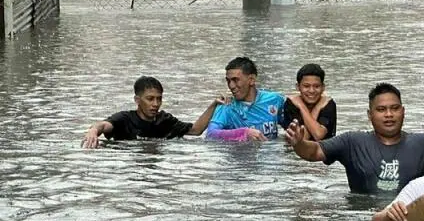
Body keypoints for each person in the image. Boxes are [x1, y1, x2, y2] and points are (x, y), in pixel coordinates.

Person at [285, 83, 424, 194]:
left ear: (403, 111)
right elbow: (314, 152)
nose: (389, 115)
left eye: (394, 108)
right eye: (381, 109)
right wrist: (299, 144)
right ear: (370, 115)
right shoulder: (352, 142)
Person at [81, 76, 223, 148]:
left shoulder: (165, 120)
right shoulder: (125, 119)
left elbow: (196, 130)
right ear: (137, 100)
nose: (155, 104)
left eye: (159, 99)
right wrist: (93, 131)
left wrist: (214, 104)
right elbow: (104, 125)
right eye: (150, 99)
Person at [206, 57, 285, 142]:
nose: (231, 86)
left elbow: (291, 125)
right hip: (242, 154)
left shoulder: (275, 99)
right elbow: (211, 134)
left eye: (235, 80)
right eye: (228, 81)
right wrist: (244, 133)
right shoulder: (227, 106)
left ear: (251, 80)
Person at [280, 63, 337, 141]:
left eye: (316, 86)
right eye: (306, 86)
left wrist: (314, 108)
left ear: (323, 87)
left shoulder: (328, 104)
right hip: (295, 152)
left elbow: (318, 134)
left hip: (325, 150)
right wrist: (302, 106)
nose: (311, 91)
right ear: (298, 87)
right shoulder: (291, 104)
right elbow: (301, 139)